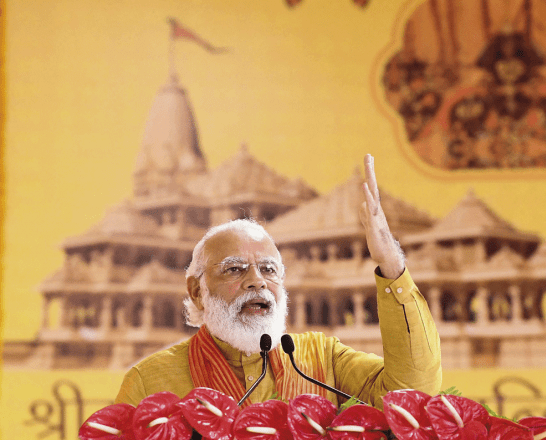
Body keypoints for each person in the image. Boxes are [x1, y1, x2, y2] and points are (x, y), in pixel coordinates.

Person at [115, 154, 442, 409]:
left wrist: (391, 264)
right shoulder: (150, 382)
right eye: (234, 269)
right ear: (197, 291)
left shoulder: (321, 360)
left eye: (269, 269)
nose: (257, 281)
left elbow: (412, 394)